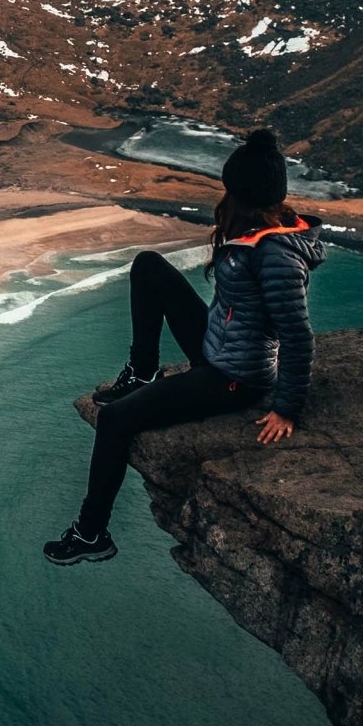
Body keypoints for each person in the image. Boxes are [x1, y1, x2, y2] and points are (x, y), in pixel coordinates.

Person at [44, 127, 323, 565]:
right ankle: (142, 372)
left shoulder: (275, 255)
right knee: (148, 266)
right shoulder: (257, 234)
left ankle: (91, 533)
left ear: (243, 194)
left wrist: (286, 407)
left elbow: (297, 334)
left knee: (114, 420)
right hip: (216, 347)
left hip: (234, 378)